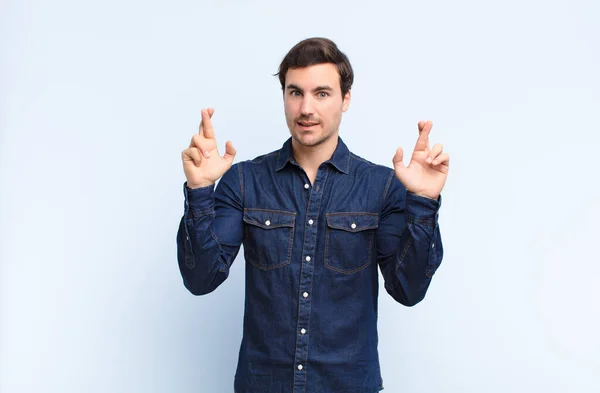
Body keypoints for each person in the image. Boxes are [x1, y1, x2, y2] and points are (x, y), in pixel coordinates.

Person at [176, 37, 449, 393]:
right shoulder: (243, 182)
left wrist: (423, 202)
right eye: (295, 93)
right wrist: (199, 192)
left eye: (322, 93)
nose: (306, 108)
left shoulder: (382, 187)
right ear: (284, 97)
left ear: (345, 99)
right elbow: (201, 280)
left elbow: (409, 289)